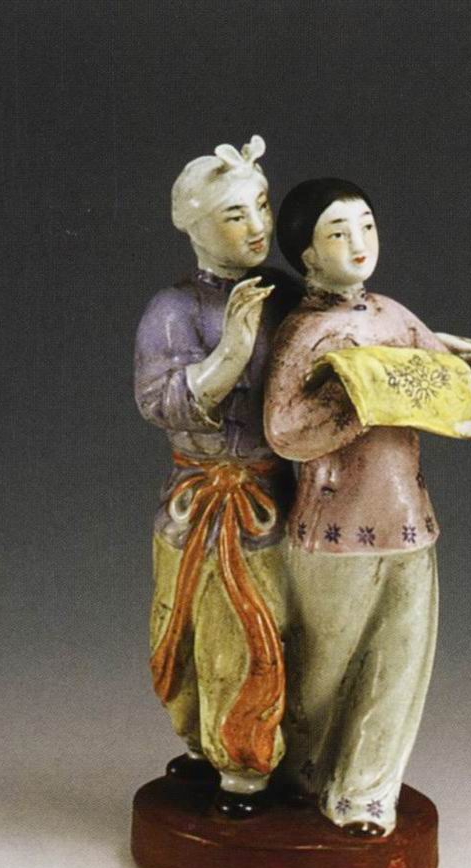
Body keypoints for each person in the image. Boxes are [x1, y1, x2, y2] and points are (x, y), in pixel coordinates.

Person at [264, 178, 471, 837]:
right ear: (307, 255)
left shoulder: (392, 313)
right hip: (334, 529)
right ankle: (300, 771)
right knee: (323, 667)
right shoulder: (304, 332)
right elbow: (283, 430)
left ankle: (364, 794)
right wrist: (360, 400)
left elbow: (425, 360)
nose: (359, 243)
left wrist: (450, 359)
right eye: (338, 233)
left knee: (400, 660)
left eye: (366, 226)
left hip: (408, 520)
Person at [134, 136, 301, 817]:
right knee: (180, 634)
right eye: (236, 215)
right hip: (194, 498)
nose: (258, 226)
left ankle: (245, 765)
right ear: (198, 227)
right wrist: (229, 353)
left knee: (254, 632)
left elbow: (344, 347)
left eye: (262, 205)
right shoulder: (172, 309)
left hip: (270, 499)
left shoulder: (290, 298)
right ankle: (200, 738)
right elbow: (159, 400)